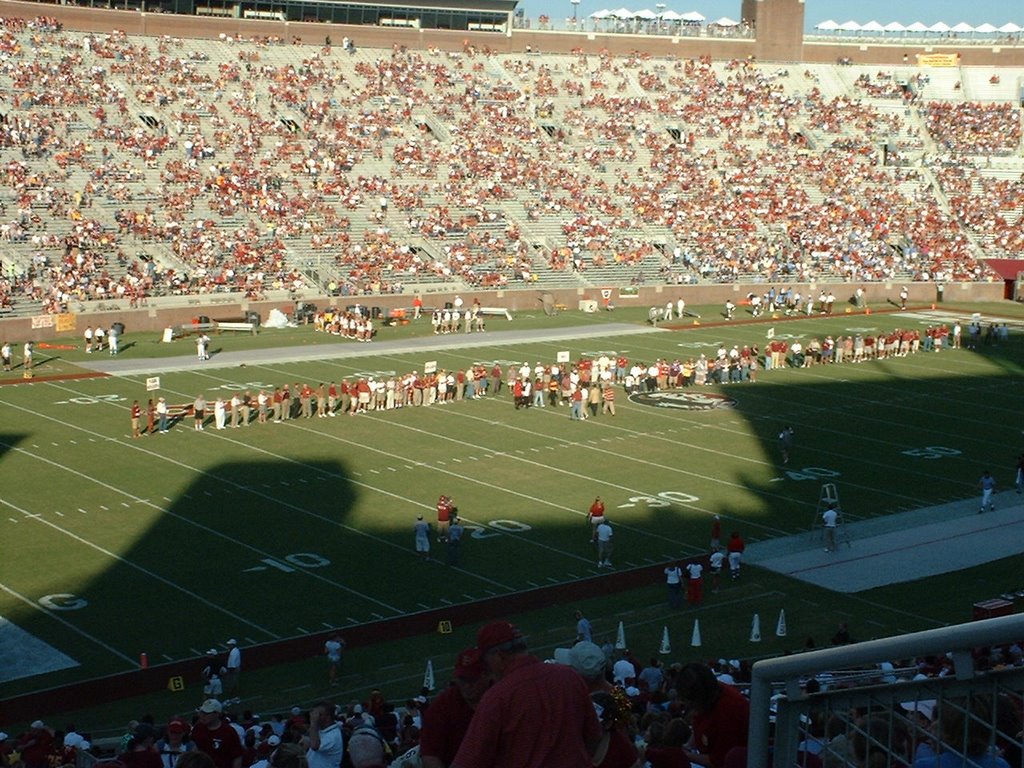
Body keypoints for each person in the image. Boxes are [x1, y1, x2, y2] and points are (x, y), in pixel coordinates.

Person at [451, 621, 601, 768]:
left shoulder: (496, 698)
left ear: (498, 656)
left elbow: (468, 760)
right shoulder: (569, 677)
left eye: (485, 660)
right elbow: (593, 737)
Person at [420, 648, 491, 768]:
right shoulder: (442, 705)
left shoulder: (500, 697)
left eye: (472, 679)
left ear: (487, 675)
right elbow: (429, 754)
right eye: (462, 679)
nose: (467, 685)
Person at [674, 663, 750, 768]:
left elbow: (718, 761)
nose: (686, 704)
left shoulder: (728, 711)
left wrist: (686, 755)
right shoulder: (710, 692)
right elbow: (699, 720)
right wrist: (688, 746)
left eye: (688, 700)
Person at [191, 700, 244, 768]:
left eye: (207, 713)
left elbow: (237, 757)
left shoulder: (229, 732)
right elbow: (194, 748)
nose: (203, 715)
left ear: (217, 714)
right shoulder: (198, 728)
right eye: (202, 712)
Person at [306, 702, 344, 768]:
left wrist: (313, 723)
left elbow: (315, 746)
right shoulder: (322, 731)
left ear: (328, 717)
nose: (315, 717)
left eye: (318, 714)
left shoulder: (333, 735)